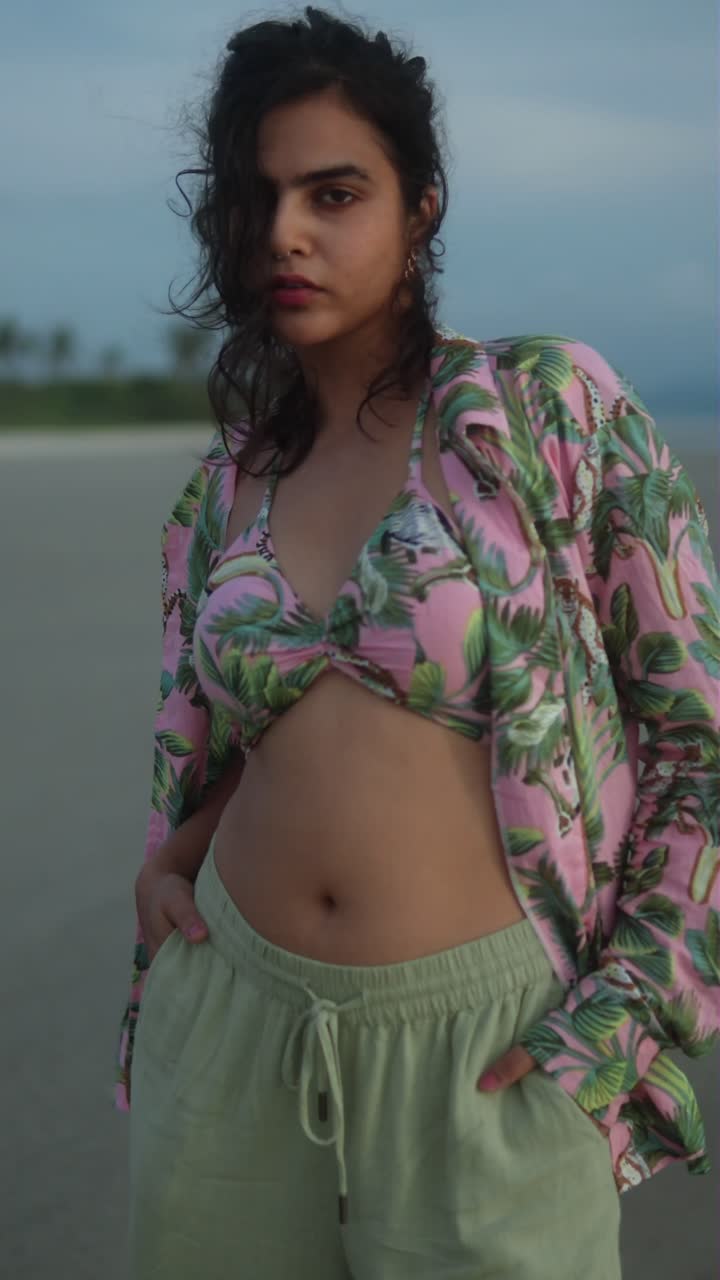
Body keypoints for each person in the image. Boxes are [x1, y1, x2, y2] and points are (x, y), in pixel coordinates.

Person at [117, 7, 720, 1278]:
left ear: (422, 206)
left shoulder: (547, 409)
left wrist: (616, 1022)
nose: (285, 230)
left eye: (335, 191)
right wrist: (168, 861)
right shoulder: (223, 487)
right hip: (229, 1027)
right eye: (257, 195)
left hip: (492, 1049)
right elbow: (235, 745)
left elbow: (694, 739)